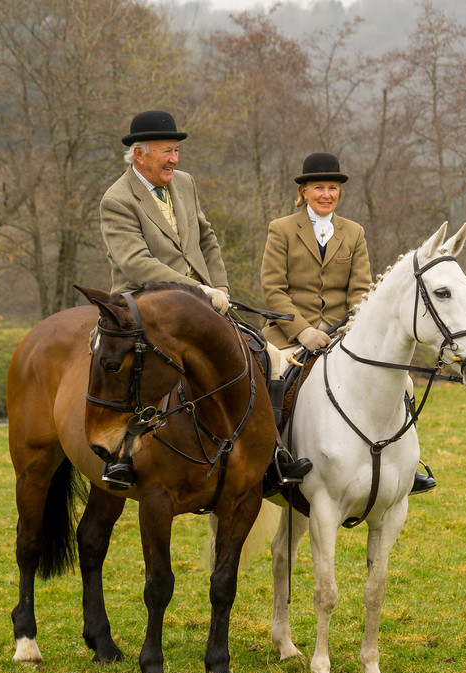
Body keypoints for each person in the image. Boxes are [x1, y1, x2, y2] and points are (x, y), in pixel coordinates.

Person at [97, 109, 308, 490]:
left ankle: (272, 454)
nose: (174, 159)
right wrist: (197, 292)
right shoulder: (116, 199)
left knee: (263, 356)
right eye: (167, 151)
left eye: (176, 151)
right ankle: (122, 456)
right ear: (139, 154)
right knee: (143, 370)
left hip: (204, 302)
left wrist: (220, 289)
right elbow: (136, 263)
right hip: (145, 303)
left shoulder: (185, 183)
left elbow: (208, 239)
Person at [260, 152, 436, 495]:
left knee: (405, 385)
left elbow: (361, 290)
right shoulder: (281, 229)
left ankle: (406, 464)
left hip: (344, 333)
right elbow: (273, 290)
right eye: (319, 187)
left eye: (332, 188)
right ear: (304, 191)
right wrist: (304, 330)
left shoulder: (353, 232)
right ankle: (273, 459)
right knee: (275, 377)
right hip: (291, 334)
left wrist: (352, 322)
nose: (326, 194)